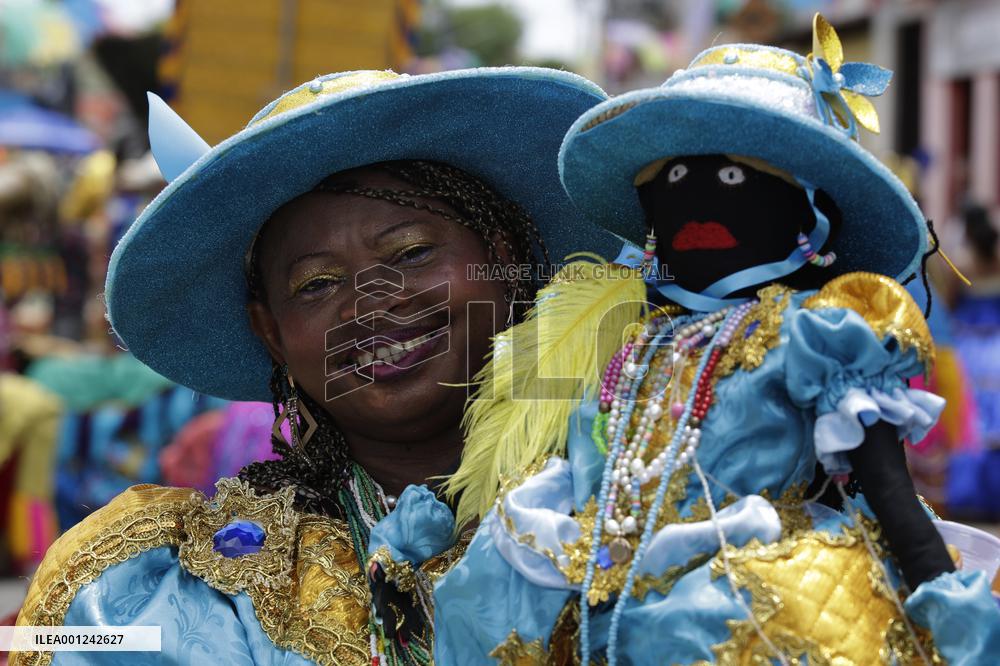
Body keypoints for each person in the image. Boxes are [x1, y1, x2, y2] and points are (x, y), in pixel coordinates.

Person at [431, 16, 1000, 664]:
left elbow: (889, 495)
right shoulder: (626, 336)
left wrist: (952, 610)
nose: (695, 203)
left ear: (805, 215)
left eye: (732, 179)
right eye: (672, 181)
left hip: (755, 605)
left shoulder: (820, 335)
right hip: (589, 589)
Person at [12, 68, 622, 666]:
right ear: (271, 333)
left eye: (411, 252)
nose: (370, 302)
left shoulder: (656, 504)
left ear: (504, 258)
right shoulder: (155, 599)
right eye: (316, 284)